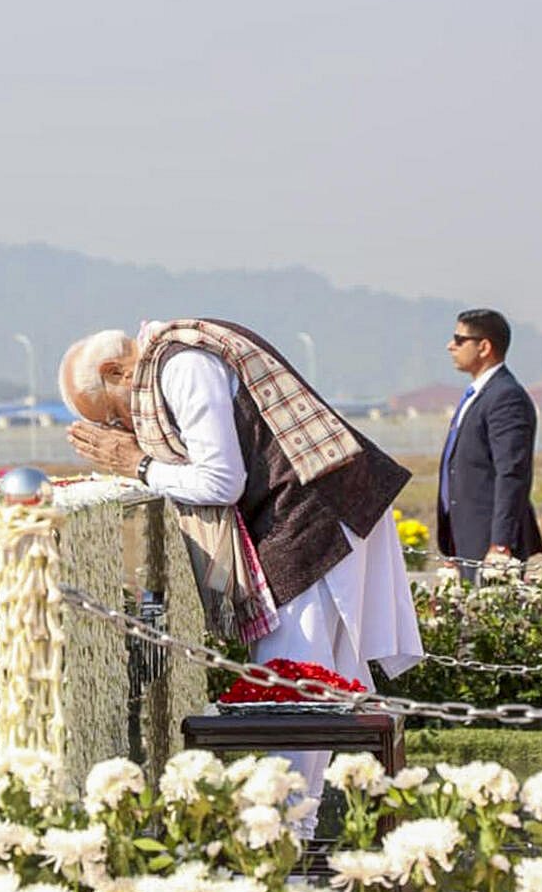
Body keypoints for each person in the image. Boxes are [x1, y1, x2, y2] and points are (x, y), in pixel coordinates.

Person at [59, 318, 424, 835]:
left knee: (293, 689)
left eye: (114, 417)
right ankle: (296, 839)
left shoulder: (182, 367)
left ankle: (285, 846)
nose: (123, 431)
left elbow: (220, 480)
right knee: (309, 690)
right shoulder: (175, 360)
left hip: (315, 521)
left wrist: (138, 465)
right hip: (311, 517)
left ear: (116, 370)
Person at [438, 309, 542, 580]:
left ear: (484, 346)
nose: (451, 346)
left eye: (459, 339)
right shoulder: (477, 395)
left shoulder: (505, 397)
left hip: (489, 543)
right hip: (465, 538)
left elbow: (511, 472)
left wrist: (500, 544)